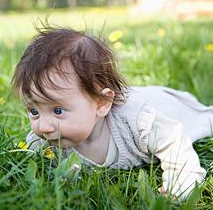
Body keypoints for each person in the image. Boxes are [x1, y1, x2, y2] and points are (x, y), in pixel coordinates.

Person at [11, 24, 212, 200]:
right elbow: (26, 169)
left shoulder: (138, 122)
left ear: (100, 103)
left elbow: (173, 141)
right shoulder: (42, 143)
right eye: (34, 111)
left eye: (57, 110)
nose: (43, 126)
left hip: (166, 105)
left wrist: (181, 187)